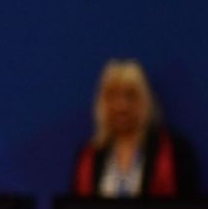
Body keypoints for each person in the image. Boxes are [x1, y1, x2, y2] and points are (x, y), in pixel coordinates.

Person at [71, 59, 198, 198]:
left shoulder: (173, 151)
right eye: (113, 96)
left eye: (130, 96)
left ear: (145, 101)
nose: (121, 107)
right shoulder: (89, 156)